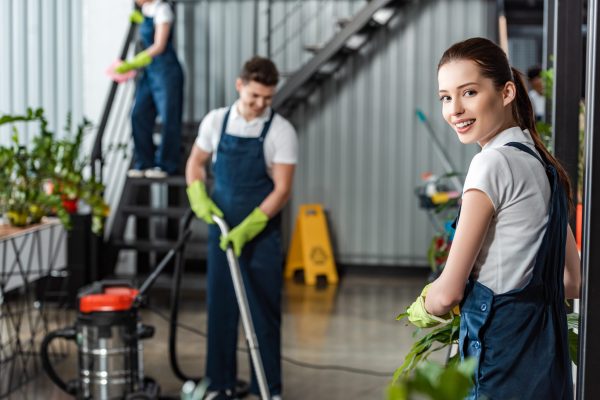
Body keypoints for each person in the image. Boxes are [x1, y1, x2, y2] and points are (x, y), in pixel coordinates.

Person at [406, 37, 581, 399]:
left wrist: (424, 306)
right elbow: (571, 281)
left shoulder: (491, 163)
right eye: (445, 97)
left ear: (506, 93)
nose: (454, 109)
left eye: (468, 92)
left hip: (499, 361)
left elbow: (448, 292)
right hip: (548, 360)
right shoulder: (542, 164)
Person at [185, 56, 298, 400]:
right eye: (254, 97)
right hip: (222, 233)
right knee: (221, 310)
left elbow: (282, 189)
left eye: (267, 98)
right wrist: (197, 194)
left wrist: (251, 226)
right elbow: (196, 162)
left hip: (260, 236)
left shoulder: (280, 130)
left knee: (262, 312)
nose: (261, 104)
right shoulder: (216, 121)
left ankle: (269, 391)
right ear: (240, 86)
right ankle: (219, 385)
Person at [114, 0, 184, 178]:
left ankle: (166, 165)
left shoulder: (163, 10)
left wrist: (134, 62)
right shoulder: (145, 9)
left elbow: (159, 45)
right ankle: (144, 163)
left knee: (169, 118)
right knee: (138, 114)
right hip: (149, 73)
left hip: (166, 71)